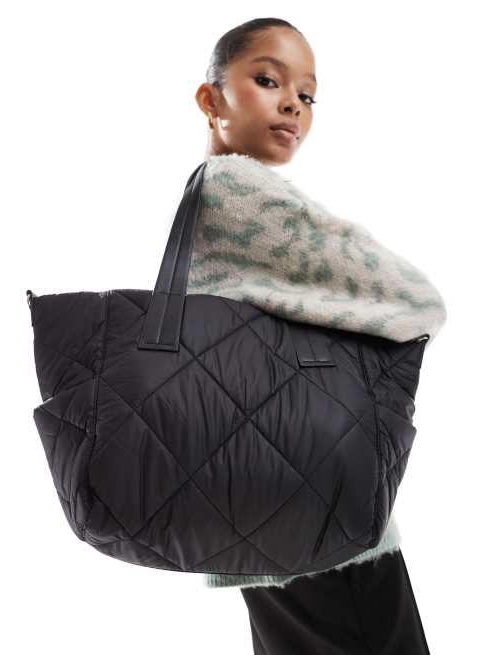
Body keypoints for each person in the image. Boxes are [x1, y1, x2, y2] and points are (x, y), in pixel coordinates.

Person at [192, 17, 441, 654]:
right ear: (211, 98)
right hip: (318, 507)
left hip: (249, 508)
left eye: (306, 95)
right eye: (267, 80)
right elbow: (418, 301)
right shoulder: (240, 190)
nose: (292, 105)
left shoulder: (200, 197)